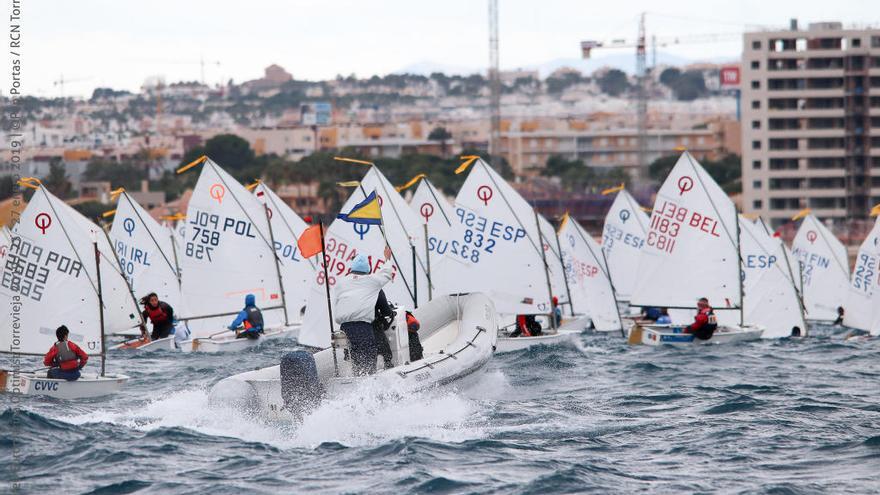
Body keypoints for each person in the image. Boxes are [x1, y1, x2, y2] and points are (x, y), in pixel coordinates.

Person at [334, 246, 394, 376]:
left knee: (355, 358)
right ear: (367, 270)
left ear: (351, 269)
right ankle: (367, 387)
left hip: (344, 329)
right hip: (362, 327)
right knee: (369, 359)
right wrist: (387, 258)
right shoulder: (371, 281)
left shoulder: (341, 283)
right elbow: (387, 273)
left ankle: (356, 381)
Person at [373, 289, 395, 369]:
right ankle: (387, 364)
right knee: (383, 349)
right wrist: (390, 314)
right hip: (370, 325)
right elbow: (386, 311)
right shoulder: (375, 287)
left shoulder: (347, 289)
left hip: (348, 327)